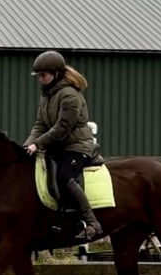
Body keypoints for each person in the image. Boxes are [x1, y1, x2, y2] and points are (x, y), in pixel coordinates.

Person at [23, 50, 103, 241]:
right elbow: (40, 125)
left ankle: (92, 222)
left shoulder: (69, 95)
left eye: (43, 75)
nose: (40, 79)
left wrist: (38, 144)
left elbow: (63, 127)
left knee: (65, 176)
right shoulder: (47, 95)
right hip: (58, 146)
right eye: (39, 76)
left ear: (56, 74)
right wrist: (27, 146)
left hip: (77, 146)